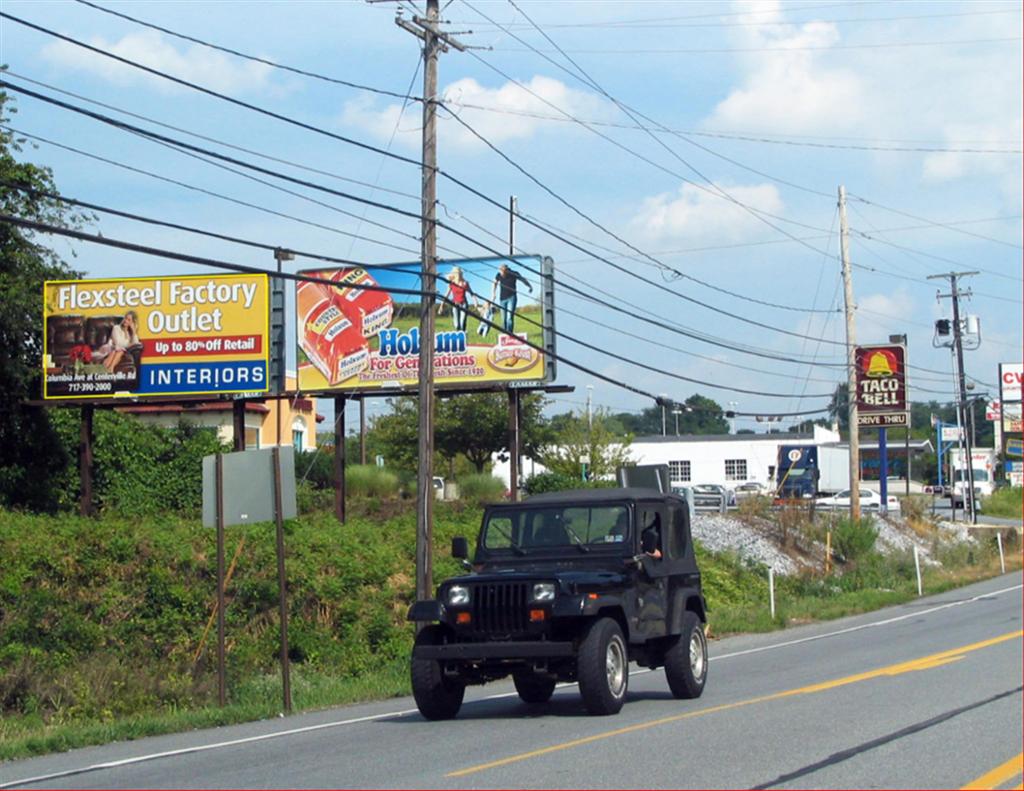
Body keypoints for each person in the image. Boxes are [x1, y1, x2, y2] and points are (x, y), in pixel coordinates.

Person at [490, 263, 533, 334]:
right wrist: (493, 293)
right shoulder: (498, 275)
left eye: (503, 273)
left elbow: (523, 280)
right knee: (503, 319)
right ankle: (503, 334)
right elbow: (494, 282)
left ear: (506, 270)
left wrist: (530, 286)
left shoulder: (514, 273)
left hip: (512, 298)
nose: (502, 275)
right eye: (501, 273)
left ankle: (509, 334)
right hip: (502, 299)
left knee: (509, 318)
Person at [439, 267, 476, 332]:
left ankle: (463, 334)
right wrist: (441, 306)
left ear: (461, 274)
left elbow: (471, 293)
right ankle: (458, 335)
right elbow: (446, 295)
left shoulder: (465, 283)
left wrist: (475, 302)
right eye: (457, 274)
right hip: (455, 305)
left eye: (459, 273)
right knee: (457, 325)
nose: (458, 275)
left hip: (464, 304)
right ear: (455, 275)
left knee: (462, 323)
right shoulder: (452, 284)